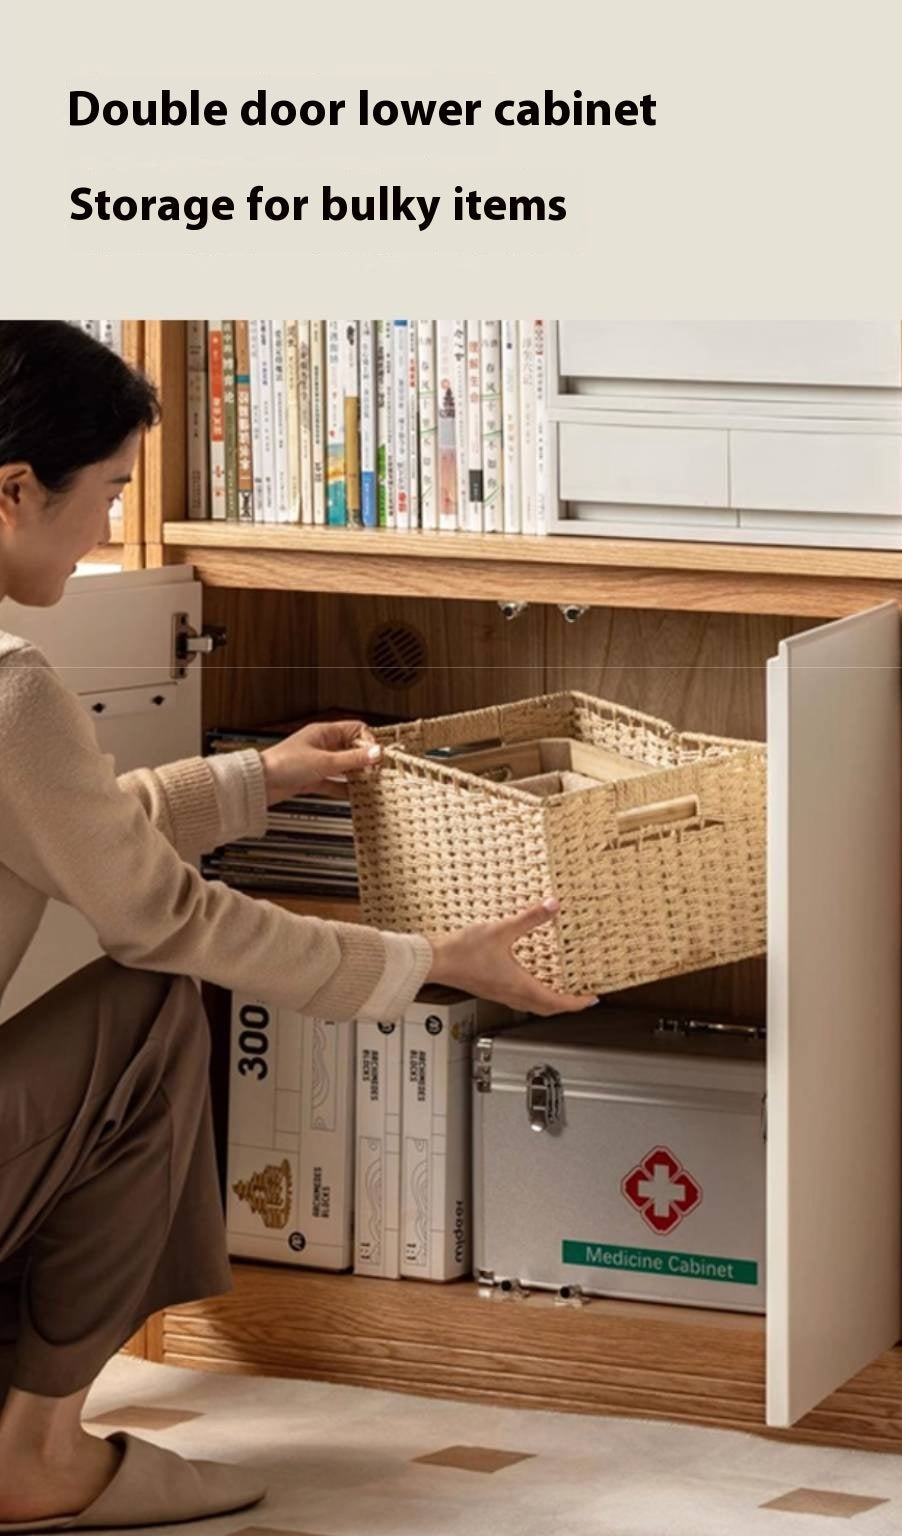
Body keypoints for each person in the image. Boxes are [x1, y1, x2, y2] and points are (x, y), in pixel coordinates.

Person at [0, 321, 598, 1532]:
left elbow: (67, 823)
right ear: (15, 489)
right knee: (149, 1007)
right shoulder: (10, 688)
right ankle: (34, 1453)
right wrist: (425, 962)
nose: (111, 527)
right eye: (109, 491)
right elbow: (158, 915)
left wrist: (254, 780)